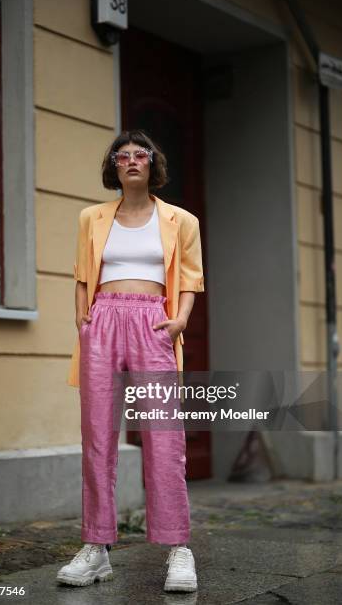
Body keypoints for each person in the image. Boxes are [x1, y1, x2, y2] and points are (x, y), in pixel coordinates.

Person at [57, 130, 205, 593]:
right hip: (102, 322)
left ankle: (178, 548)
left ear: (153, 164)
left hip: (154, 324)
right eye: (123, 156)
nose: (132, 161)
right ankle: (96, 548)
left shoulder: (181, 220)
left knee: (164, 436)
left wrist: (179, 320)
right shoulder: (91, 217)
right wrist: (83, 319)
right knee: (97, 436)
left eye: (141, 154)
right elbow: (83, 273)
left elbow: (190, 278)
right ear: (114, 167)